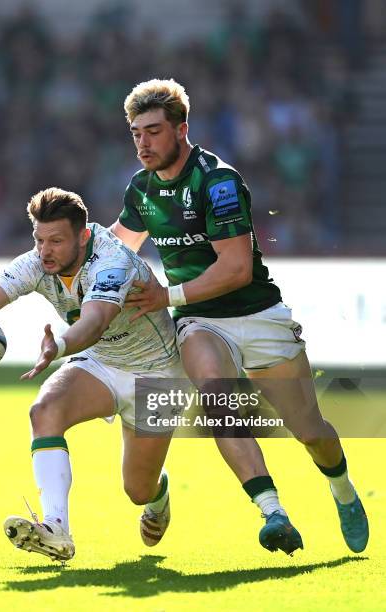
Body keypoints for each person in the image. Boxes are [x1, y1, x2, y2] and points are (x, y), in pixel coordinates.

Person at [110, 78, 368, 554]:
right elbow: (117, 248)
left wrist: (166, 296)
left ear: (181, 130)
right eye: (135, 133)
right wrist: (68, 271)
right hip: (199, 320)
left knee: (311, 431)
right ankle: (273, 512)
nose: (143, 144)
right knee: (214, 394)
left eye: (152, 131)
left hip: (257, 313)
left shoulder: (217, 181)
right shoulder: (141, 189)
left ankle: (343, 490)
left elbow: (235, 268)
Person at [0, 186, 183, 561]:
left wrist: (61, 347)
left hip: (158, 373)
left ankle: (158, 494)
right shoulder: (37, 262)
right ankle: (56, 529)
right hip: (101, 362)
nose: (45, 250)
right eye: (39, 239)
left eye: (56, 240)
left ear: (83, 236)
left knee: (137, 489)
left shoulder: (111, 261)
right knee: (44, 411)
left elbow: (96, 321)